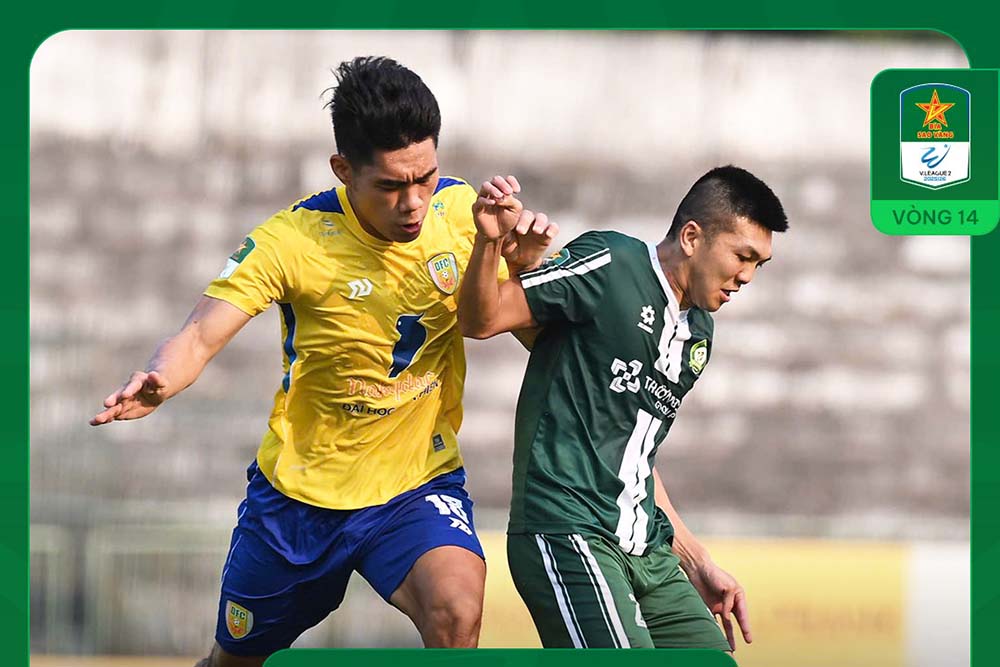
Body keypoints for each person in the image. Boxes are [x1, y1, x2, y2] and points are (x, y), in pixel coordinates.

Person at [89, 56, 552, 666]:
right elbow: (199, 335)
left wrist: (526, 268)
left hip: (415, 485)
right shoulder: (293, 240)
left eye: (426, 178)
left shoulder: (467, 216)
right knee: (235, 662)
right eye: (390, 186)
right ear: (343, 170)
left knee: (457, 609)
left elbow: (528, 337)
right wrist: (160, 380)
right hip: (300, 499)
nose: (413, 202)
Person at [458, 166, 788, 652]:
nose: (747, 276)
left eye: (761, 264)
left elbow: (635, 456)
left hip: (647, 552)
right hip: (567, 529)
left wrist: (696, 562)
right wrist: (490, 244)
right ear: (693, 237)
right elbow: (481, 318)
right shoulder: (612, 262)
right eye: (743, 256)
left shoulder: (698, 333)